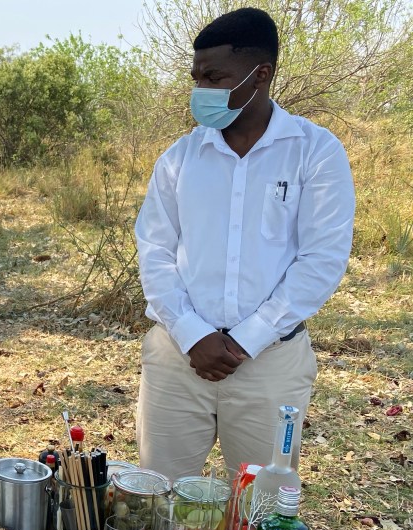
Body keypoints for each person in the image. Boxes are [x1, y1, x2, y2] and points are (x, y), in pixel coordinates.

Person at [134, 7, 355, 481]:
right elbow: (154, 251)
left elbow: (321, 259)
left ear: (261, 74)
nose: (201, 90)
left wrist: (245, 339)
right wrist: (192, 334)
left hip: (271, 365)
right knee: (157, 499)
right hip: (177, 360)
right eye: (196, 77)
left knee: (261, 506)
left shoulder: (315, 152)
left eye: (214, 77)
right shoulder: (179, 159)